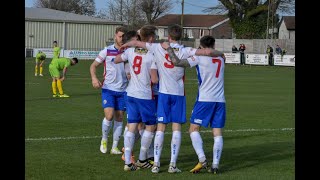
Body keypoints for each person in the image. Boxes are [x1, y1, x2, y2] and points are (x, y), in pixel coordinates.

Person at [120, 24, 224, 174]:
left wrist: (124, 46)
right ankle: (172, 165)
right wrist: (221, 53)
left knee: (161, 127)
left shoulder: (158, 47)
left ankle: (155, 164)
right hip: (179, 94)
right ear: (181, 36)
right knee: (177, 128)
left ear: (168, 36)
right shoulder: (186, 50)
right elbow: (207, 51)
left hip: (163, 92)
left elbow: (136, 43)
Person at [162, 35, 226, 174]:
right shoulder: (221, 58)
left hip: (205, 99)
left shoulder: (199, 57)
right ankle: (215, 165)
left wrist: (169, 50)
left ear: (201, 47)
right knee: (217, 132)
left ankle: (202, 159)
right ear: (214, 45)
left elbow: (177, 62)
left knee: (193, 129)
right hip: (220, 100)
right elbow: (213, 53)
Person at [114, 25, 158, 171]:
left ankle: (128, 162)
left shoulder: (131, 51)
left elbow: (116, 59)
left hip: (130, 93)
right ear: (151, 38)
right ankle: (142, 159)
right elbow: (154, 79)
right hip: (144, 95)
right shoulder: (152, 54)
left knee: (132, 126)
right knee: (151, 126)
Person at [90, 26, 128, 155]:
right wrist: (94, 78)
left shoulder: (128, 52)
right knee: (109, 115)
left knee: (119, 118)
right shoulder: (107, 51)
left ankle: (115, 147)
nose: (122, 38)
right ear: (115, 36)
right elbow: (93, 66)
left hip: (123, 90)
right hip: (108, 89)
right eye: (120, 36)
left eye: (124, 36)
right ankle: (104, 140)